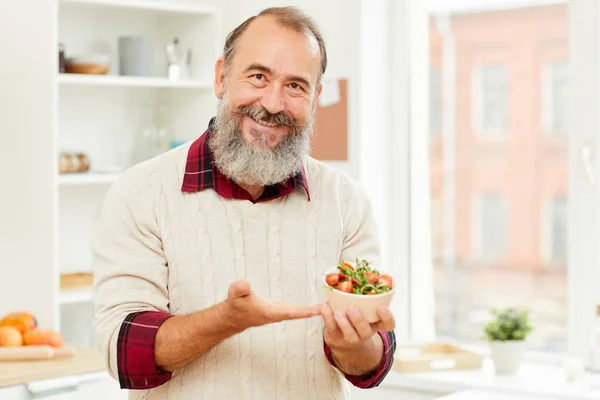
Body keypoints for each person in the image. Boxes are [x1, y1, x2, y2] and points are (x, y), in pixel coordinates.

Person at [92, 6, 396, 400]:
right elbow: (123, 353)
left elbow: (370, 367)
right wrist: (227, 319)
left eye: (295, 86)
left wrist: (354, 346)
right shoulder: (140, 191)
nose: (272, 103)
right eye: (258, 76)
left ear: (316, 98)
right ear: (221, 77)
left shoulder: (345, 200)